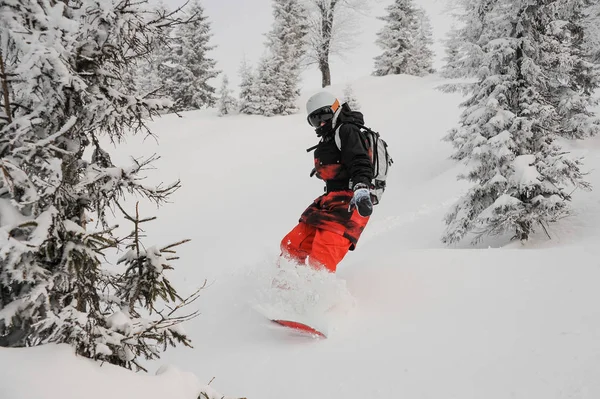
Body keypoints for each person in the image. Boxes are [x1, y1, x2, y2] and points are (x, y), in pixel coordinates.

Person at [279, 91, 374, 274]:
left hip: (351, 202)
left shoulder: (347, 129)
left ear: (335, 110)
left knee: (321, 260)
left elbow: (360, 161)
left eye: (324, 116)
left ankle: (324, 300)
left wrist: (362, 188)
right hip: (330, 200)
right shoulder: (330, 136)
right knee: (291, 245)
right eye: (315, 120)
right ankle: (286, 291)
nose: (321, 123)